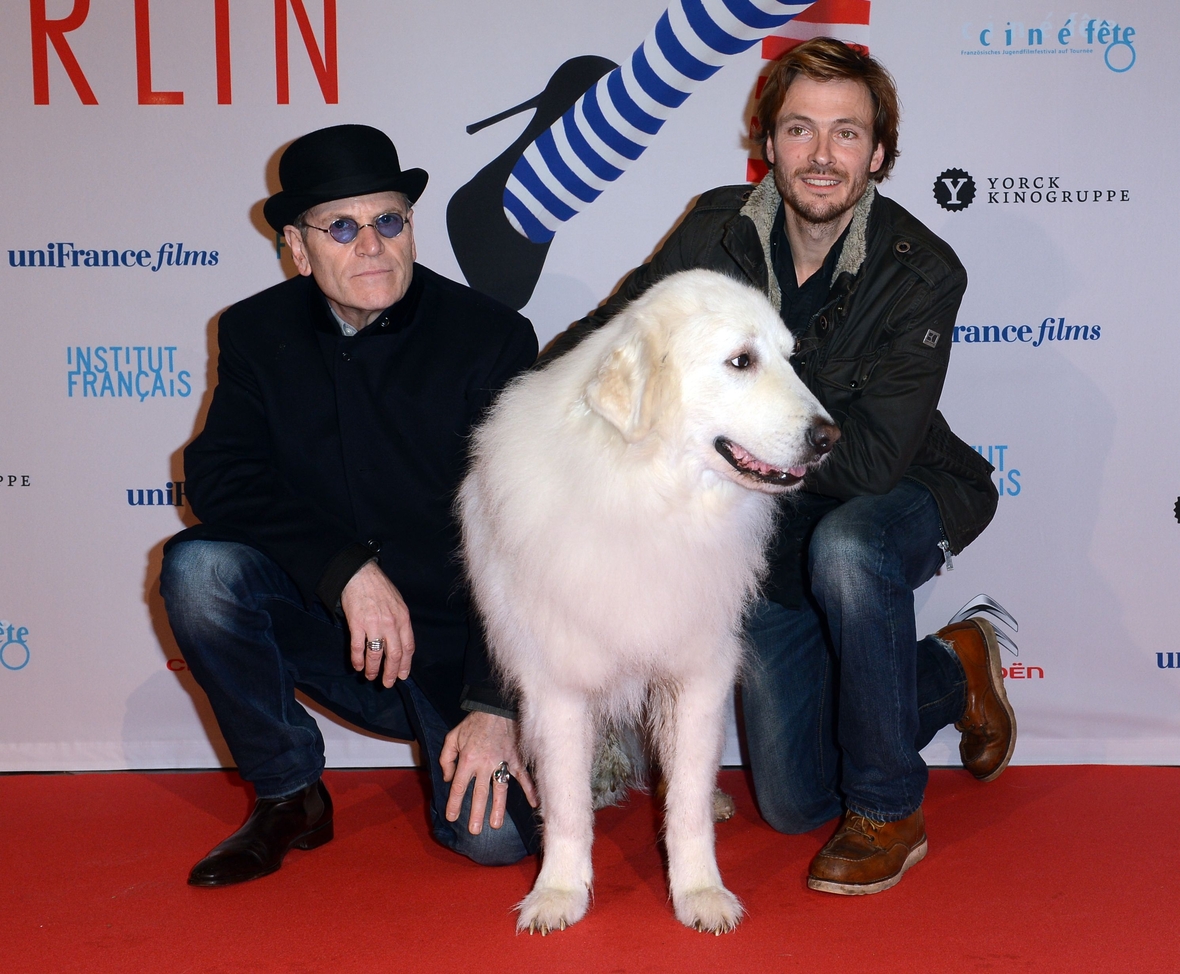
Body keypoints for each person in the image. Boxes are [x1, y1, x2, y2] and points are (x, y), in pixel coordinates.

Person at [540, 38, 1014, 895]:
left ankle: (886, 809)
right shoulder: (713, 228)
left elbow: (867, 460)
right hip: (764, 511)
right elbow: (617, 333)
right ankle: (952, 667)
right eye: (800, 129)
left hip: (901, 490)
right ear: (768, 142)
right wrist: (537, 410)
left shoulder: (923, 272)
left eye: (845, 134)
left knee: (849, 547)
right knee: (795, 802)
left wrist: (722, 432)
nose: (821, 156)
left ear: (878, 154)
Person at [160, 124, 539, 887]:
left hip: (453, 650)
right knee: (199, 572)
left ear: (410, 226)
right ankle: (288, 792)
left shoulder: (490, 340)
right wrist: (345, 571)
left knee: (497, 844)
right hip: (328, 626)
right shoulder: (256, 331)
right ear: (298, 250)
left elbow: (527, 537)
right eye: (341, 226)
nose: (371, 245)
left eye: (388, 220)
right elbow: (219, 475)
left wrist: (495, 706)